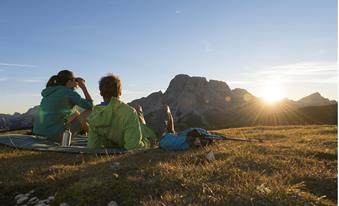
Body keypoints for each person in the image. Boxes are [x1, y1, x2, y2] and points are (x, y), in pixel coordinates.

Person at [87, 74, 157, 150]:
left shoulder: (94, 115)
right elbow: (133, 146)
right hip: (148, 134)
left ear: (101, 93)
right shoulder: (129, 112)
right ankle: (170, 133)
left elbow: (92, 146)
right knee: (165, 110)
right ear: (120, 92)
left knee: (138, 109)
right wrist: (149, 143)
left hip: (136, 128)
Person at [33, 70, 93, 142]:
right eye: (74, 80)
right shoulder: (68, 92)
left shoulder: (51, 91)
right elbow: (90, 106)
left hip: (38, 133)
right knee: (88, 111)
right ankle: (94, 136)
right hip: (54, 136)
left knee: (76, 113)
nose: (76, 82)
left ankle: (91, 135)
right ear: (69, 81)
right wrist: (83, 87)